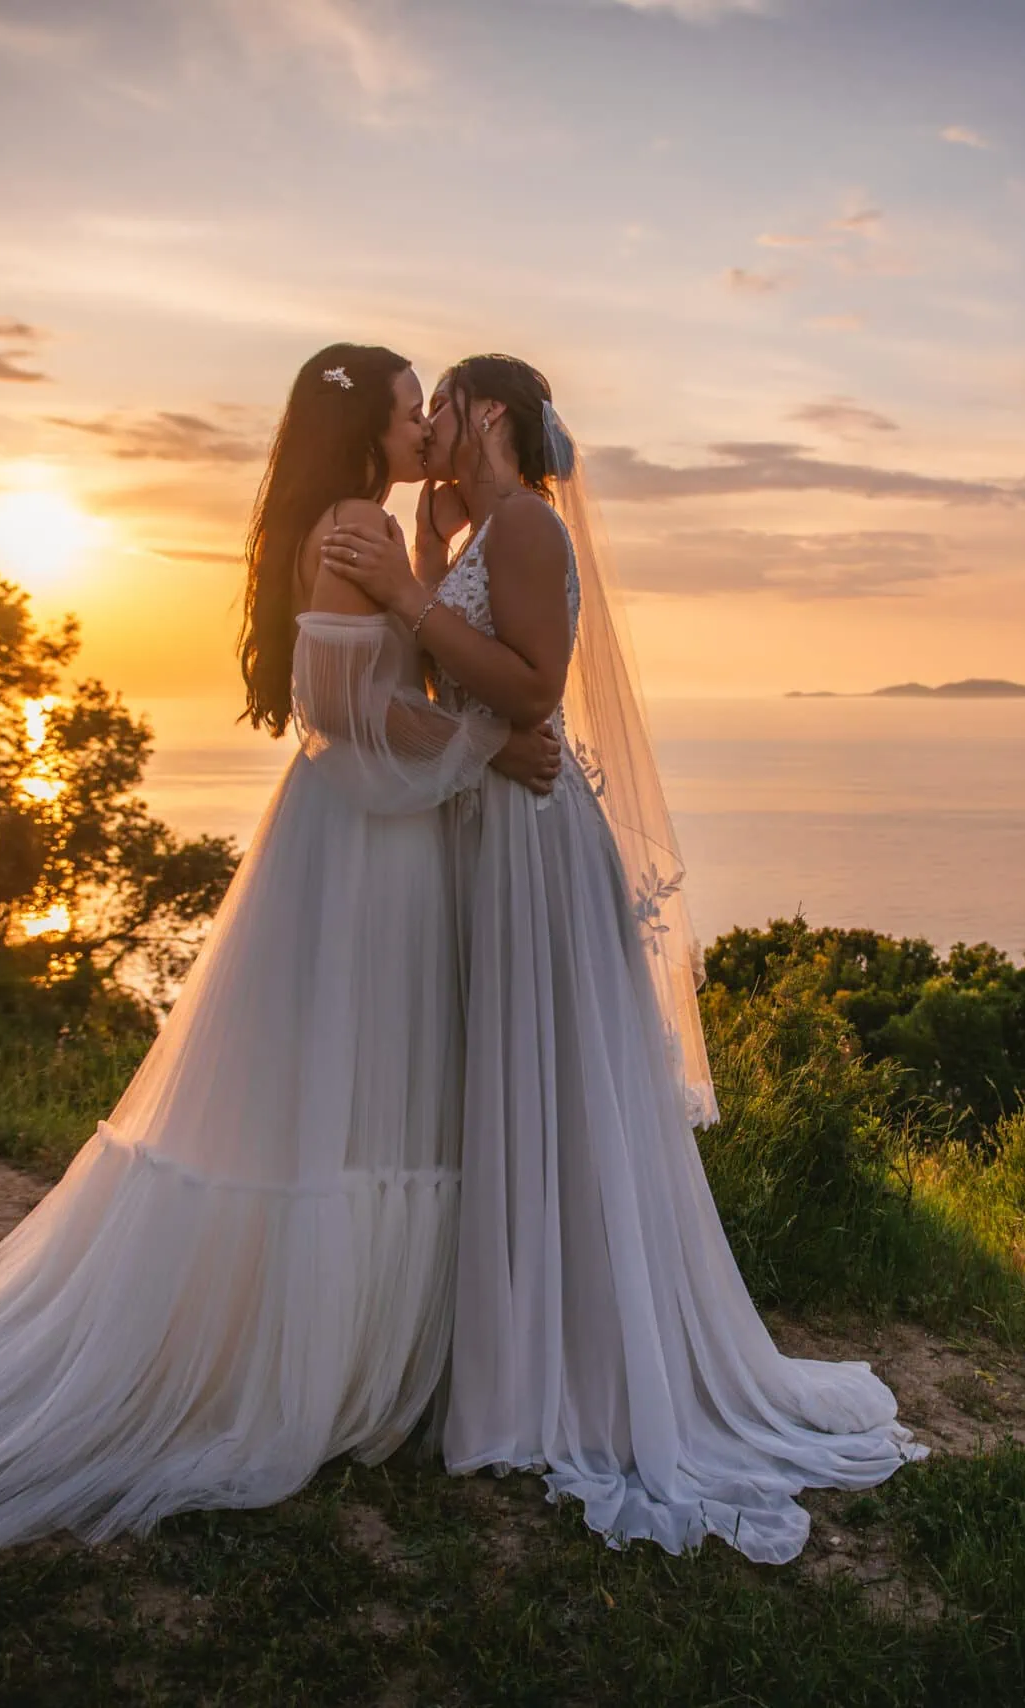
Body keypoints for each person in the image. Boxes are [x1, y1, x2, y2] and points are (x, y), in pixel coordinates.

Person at [0, 343, 559, 1552]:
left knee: (350, 1095)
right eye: (408, 412)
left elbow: (395, 672)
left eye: (431, 412)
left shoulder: (379, 524)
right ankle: (321, 1371)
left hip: (367, 834)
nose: (422, 429)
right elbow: (337, 713)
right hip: (365, 847)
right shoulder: (353, 524)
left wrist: (441, 568)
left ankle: (362, 1350)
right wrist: (487, 748)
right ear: (365, 432)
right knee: (360, 1096)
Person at [322, 354, 925, 1564]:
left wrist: (412, 595)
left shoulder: (532, 528)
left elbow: (535, 695)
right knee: (503, 1089)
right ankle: (500, 1339)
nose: (428, 422)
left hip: (537, 844)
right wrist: (425, 567)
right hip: (485, 829)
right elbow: (450, 690)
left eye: (443, 401)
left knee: (555, 1092)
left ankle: (570, 1366)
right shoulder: (474, 528)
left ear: (488, 412)